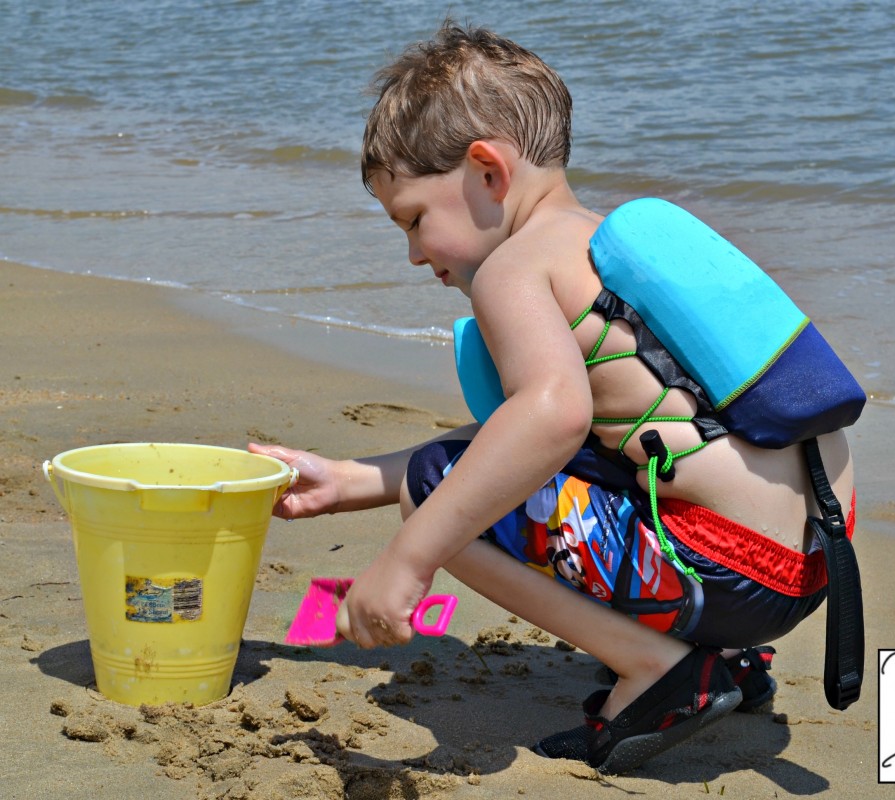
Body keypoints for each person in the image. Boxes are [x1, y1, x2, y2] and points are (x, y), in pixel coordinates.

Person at [249, 20, 856, 774]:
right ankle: (724, 659)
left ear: (487, 172)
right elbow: (532, 436)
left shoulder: (515, 269)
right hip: (806, 565)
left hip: (723, 574)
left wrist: (408, 557)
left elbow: (552, 418)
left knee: (440, 493)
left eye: (414, 219)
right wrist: (347, 480)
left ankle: (660, 672)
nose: (412, 253)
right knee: (482, 464)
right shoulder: (593, 248)